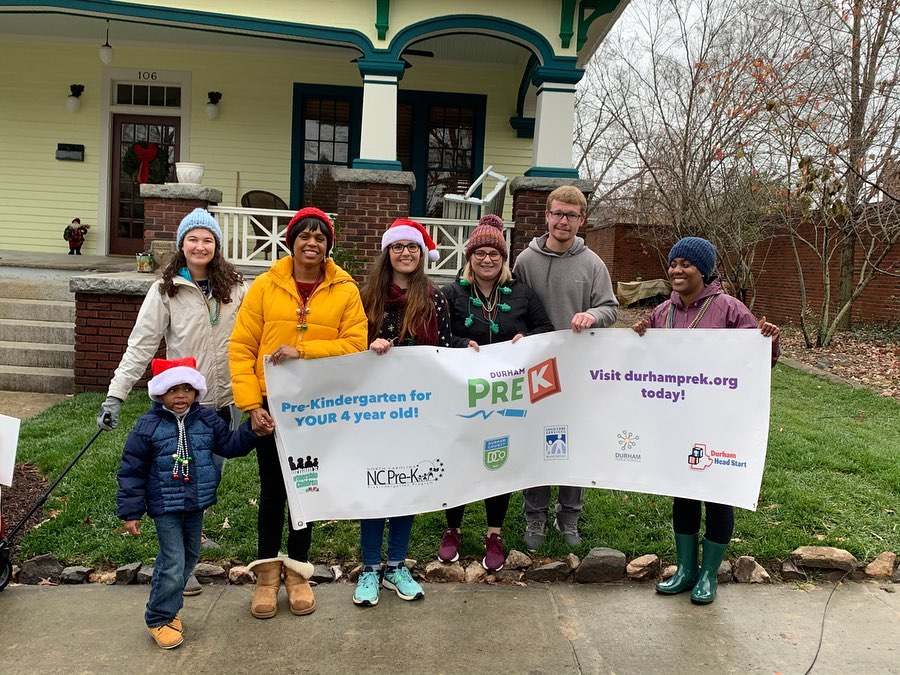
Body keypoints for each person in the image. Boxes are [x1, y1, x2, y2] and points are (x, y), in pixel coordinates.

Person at [98, 208, 248, 596]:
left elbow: (254, 335)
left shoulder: (235, 287)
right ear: (182, 245)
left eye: (208, 240)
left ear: (217, 246)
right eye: (193, 239)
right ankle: (182, 561)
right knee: (182, 478)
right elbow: (141, 345)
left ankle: (192, 539)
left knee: (208, 475)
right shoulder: (165, 290)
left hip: (225, 402)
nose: (201, 246)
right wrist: (116, 395)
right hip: (185, 407)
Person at [230, 206, 367, 619]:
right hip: (272, 407)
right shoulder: (265, 287)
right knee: (273, 491)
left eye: (320, 237)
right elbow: (242, 347)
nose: (312, 242)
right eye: (305, 235)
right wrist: (252, 405)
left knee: (304, 489)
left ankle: (298, 573)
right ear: (292, 241)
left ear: (329, 245)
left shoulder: (345, 289)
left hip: (318, 409)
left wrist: (304, 350)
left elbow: (355, 344)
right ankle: (268, 576)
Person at [631, 236, 780, 605]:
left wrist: (768, 340)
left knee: (717, 494)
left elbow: (760, 361)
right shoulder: (662, 311)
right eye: (673, 263)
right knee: (683, 491)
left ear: (704, 269)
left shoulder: (730, 309)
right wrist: (637, 337)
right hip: (677, 418)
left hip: (718, 419)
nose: (677, 270)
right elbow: (644, 360)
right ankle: (685, 569)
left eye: (686, 264)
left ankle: (709, 574)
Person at [354, 218, 476, 607]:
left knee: (406, 484)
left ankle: (396, 565)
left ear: (422, 254)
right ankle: (370, 567)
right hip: (375, 407)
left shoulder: (433, 296)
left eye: (412, 247)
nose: (405, 253)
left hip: (418, 408)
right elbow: (350, 341)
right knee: (376, 483)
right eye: (398, 247)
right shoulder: (367, 296)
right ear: (388, 252)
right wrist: (367, 344)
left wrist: (469, 347)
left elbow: (442, 343)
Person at [116, 357, 271, 649]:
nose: (181, 396)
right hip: (164, 505)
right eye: (174, 390)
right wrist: (130, 511)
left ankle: (170, 610)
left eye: (187, 389)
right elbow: (131, 469)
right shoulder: (147, 426)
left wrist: (251, 430)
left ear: (196, 392)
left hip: (195, 502)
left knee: (188, 558)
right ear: (160, 392)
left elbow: (230, 445)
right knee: (173, 561)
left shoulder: (207, 419)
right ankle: (158, 617)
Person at [438, 214, 554, 571]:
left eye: (494, 253)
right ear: (469, 257)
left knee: (496, 457)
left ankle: (494, 533)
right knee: (459, 456)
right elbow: (439, 336)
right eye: (480, 253)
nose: (487, 259)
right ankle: (453, 529)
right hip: (462, 391)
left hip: (505, 393)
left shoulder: (521, 293)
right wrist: (461, 342)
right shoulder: (451, 294)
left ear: (504, 259)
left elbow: (545, 328)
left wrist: (526, 341)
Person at [513, 185, 619, 549]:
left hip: (578, 369)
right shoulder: (525, 261)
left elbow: (611, 307)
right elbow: (514, 306)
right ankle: (535, 517)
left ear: (581, 220)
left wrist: (592, 314)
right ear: (546, 216)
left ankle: (569, 516)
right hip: (538, 367)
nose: (563, 221)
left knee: (573, 443)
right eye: (557, 213)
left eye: (571, 215)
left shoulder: (593, 264)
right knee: (537, 441)